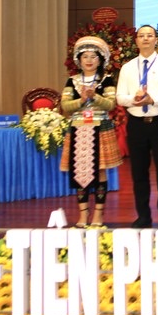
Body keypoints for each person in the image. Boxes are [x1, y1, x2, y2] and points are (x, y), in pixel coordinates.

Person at [116, 25, 158, 228]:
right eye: (141, 36)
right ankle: (143, 216)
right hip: (136, 125)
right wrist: (133, 100)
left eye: (149, 35)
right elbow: (120, 97)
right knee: (139, 172)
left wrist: (153, 100)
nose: (145, 39)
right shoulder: (127, 67)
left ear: (156, 39)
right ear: (136, 41)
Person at [60, 36, 121, 228]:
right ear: (79, 59)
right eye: (85, 56)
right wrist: (81, 100)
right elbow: (65, 106)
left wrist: (94, 97)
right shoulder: (72, 81)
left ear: (100, 60)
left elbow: (111, 104)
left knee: (100, 171)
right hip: (78, 129)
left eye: (93, 56)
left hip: (100, 128)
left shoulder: (106, 80)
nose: (89, 60)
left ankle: (98, 215)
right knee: (80, 172)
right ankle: (83, 214)